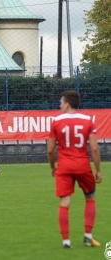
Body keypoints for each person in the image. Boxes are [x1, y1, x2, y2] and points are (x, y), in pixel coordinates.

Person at [47, 90, 102, 248]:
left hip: (64, 166)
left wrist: (53, 167)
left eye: (61, 102)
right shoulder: (87, 121)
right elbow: (94, 148)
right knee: (90, 198)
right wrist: (98, 170)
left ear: (67, 104)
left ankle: (66, 241)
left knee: (65, 202)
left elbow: (50, 150)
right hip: (83, 165)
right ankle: (88, 236)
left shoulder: (56, 122)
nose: (60, 105)